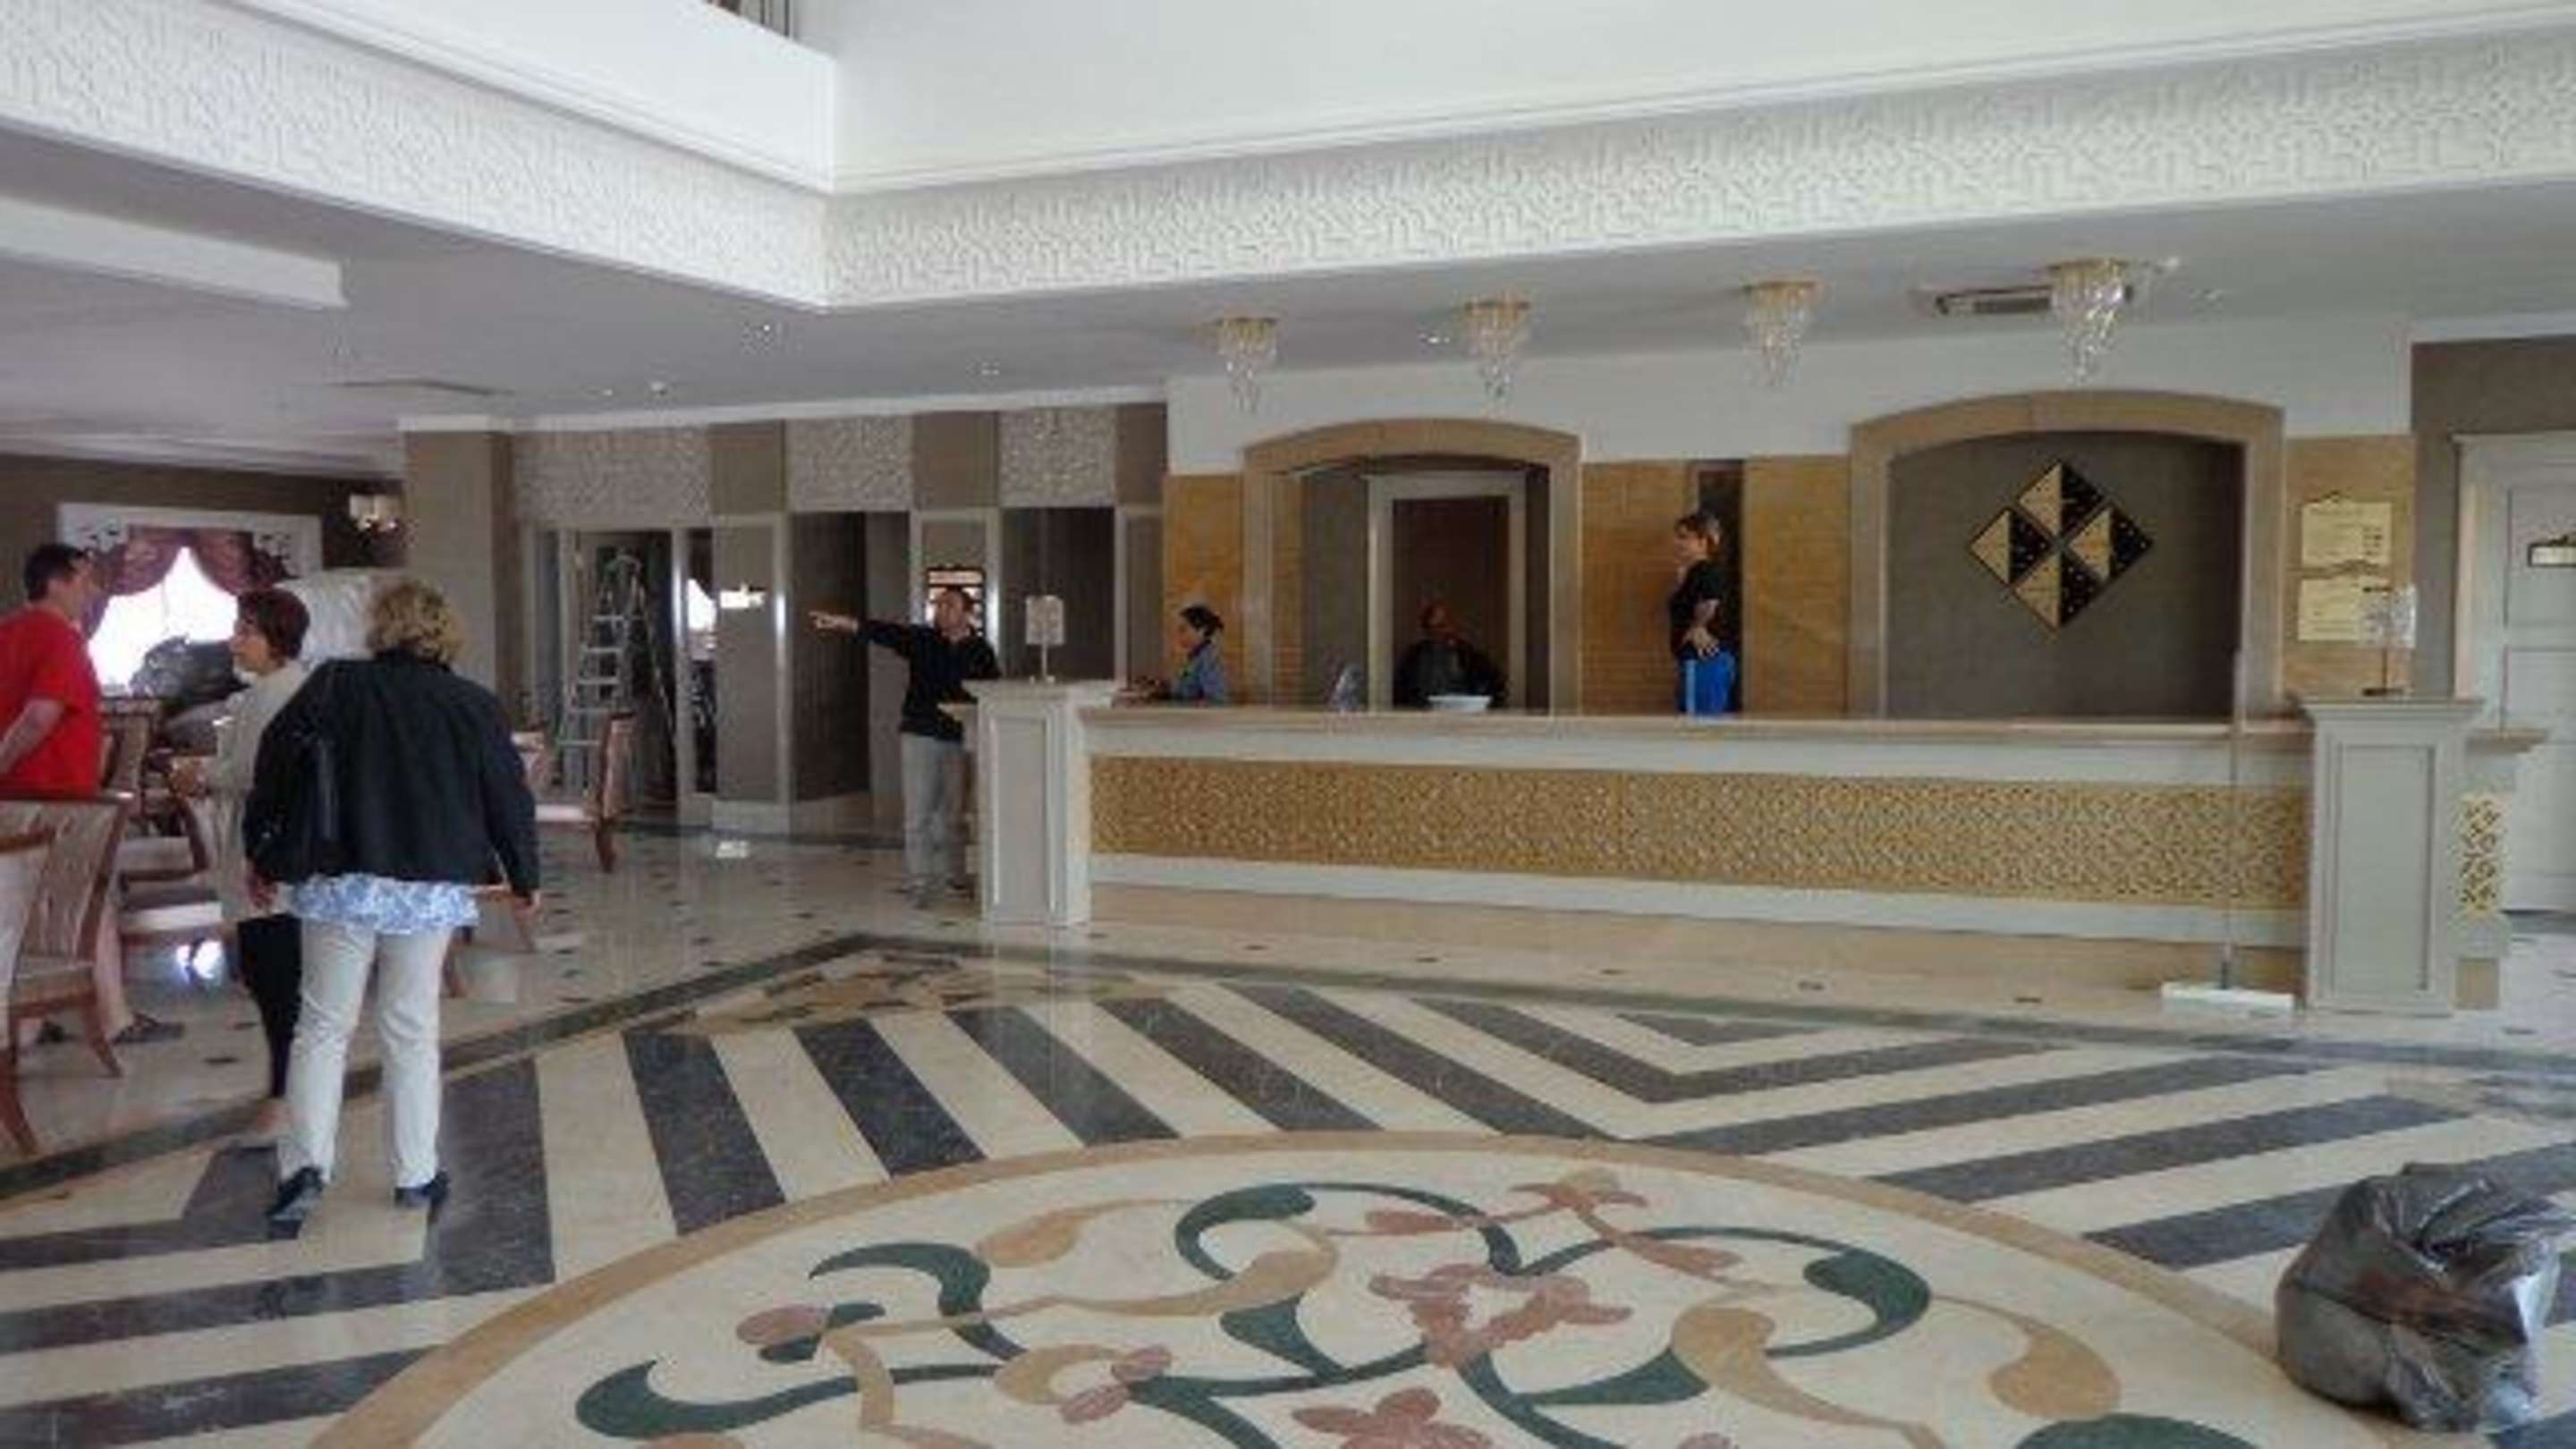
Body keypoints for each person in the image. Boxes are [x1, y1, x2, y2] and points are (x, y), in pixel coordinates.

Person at [249, 578, 538, 1224]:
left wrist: (260, 852)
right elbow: (506, 793)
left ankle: (304, 1169)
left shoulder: (334, 685)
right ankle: (415, 1174)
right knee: (411, 1027)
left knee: (322, 1027)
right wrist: (524, 875)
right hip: (427, 884)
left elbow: (275, 767)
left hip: (340, 877)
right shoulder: (471, 703)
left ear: (380, 627)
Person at [0, 545, 181, 1045]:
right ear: (57, 581)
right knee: (91, 899)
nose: (94, 589)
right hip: (59, 798)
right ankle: (114, 1019)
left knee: (31, 907)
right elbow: (41, 715)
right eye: (85, 579)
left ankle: (30, 1021)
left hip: (16, 800)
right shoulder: (61, 638)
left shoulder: (6, 634)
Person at [173, 589, 310, 1143]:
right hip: (284, 859)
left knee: (274, 979)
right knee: (278, 978)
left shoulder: (272, 695)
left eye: (245, 631)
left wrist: (200, 776)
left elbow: (253, 772)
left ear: (275, 637)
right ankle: (289, 1092)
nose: (234, 642)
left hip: (269, 861)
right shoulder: (290, 688)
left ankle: (284, 1098)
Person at [809, 588, 1000, 907]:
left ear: (968, 614)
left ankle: (956, 876)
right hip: (920, 734)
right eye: (938, 605)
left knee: (954, 814)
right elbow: (882, 632)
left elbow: (993, 691)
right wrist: (843, 623)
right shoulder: (922, 639)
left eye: (949, 605)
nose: (941, 610)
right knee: (918, 813)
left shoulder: (981, 650)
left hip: (959, 737)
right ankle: (920, 881)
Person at [1669, 512, 1737, 716]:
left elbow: (1711, 601)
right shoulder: (1698, 571)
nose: (1677, 542)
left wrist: (1697, 627)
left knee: (1697, 725)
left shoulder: (1704, 569)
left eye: (1684, 537)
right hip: (1706, 661)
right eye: (1677, 537)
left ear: (1703, 542)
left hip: (1702, 660)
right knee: (1705, 723)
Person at [1393, 601, 1507, 708]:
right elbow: (1401, 690)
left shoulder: (1470, 655)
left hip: (1461, 714)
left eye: (1442, 626)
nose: (1438, 633)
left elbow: (1494, 685)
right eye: (1431, 628)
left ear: (1452, 625)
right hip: (1422, 713)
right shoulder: (1414, 656)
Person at [1133, 605, 1228, 705]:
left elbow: (1216, 700)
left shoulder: (1209, 659)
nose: (1179, 635)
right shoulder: (1195, 658)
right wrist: (1158, 685)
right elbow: (1186, 688)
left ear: (1201, 631)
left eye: (1183, 630)